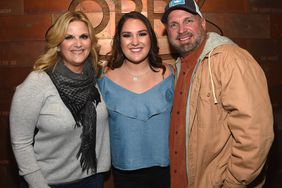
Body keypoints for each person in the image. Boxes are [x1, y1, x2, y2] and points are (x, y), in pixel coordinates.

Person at [161, 0, 274, 187]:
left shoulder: (231, 59)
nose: (181, 29)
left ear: (203, 23)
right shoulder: (179, 67)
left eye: (188, 20)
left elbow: (256, 134)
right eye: (174, 24)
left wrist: (232, 182)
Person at [9, 11, 110, 188]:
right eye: (69, 37)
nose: (78, 44)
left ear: (91, 43)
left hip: (92, 179)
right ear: (57, 45)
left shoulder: (95, 77)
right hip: (50, 183)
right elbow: (20, 142)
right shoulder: (37, 82)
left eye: (83, 36)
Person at [98, 11, 174, 188]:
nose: (135, 42)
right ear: (119, 40)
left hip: (168, 173)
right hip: (124, 176)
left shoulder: (171, 75)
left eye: (142, 34)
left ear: (151, 38)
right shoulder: (103, 80)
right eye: (127, 35)